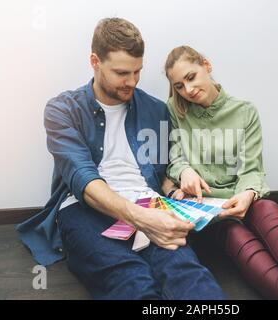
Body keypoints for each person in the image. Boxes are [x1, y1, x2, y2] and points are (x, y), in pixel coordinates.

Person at [16, 19, 226, 300]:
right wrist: (143, 220)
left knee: (187, 273)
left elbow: (163, 171)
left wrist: (180, 193)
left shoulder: (155, 109)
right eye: (121, 73)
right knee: (130, 280)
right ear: (95, 61)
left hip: (147, 202)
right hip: (83, 207)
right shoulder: (62, 110)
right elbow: (83, 179)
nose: (132, 81)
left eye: (137, 71)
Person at [164, 45, 278, 300]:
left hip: (239, 195)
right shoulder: (175, 111)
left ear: (206, 65)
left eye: (191, 77)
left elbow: (252, 168)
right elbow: (173, 157)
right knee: (237, 237)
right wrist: (184, 170)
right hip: (207, 210)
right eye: (179, 86)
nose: (188, 89)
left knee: (269, 210)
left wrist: (249, 193)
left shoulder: (245, 111)